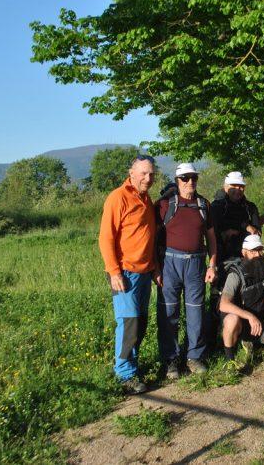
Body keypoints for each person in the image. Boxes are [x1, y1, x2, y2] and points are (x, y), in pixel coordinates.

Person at [98, 155, 162, 394]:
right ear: (131, 173)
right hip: (124, 272)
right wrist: (114, 271)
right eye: (144, 173)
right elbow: (106, 238)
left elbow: (149, 238)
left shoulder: (145, 198)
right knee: (129, 322)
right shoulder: (118, 197)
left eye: (152, 174)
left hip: (144, 272)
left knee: (141, 322)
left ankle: (132, 366)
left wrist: (154, 265)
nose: (148, 177)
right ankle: (124, 375)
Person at [156, 163, 217, 379]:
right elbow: (153, 238)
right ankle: (170, 359)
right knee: (168, 312)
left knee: (196, 311)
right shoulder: (164, 204)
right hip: (169, 262)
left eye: (193, 177)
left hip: (197, 263)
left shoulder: (203, 204)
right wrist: (156, 268)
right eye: (185, 178)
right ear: (177, 180)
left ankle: (195, 357)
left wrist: (212, 264)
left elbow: (211, 237)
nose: (190, 182)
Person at [211, 171, 261, 262]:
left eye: (241, 186)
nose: (238, 189)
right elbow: (212, 232)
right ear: (225, 187)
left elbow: (257, 231)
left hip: (248, 257)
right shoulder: (216, 206)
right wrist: (244, 227)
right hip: (224, 257)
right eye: (234, 186)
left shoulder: (250, 207)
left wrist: (242, 230)